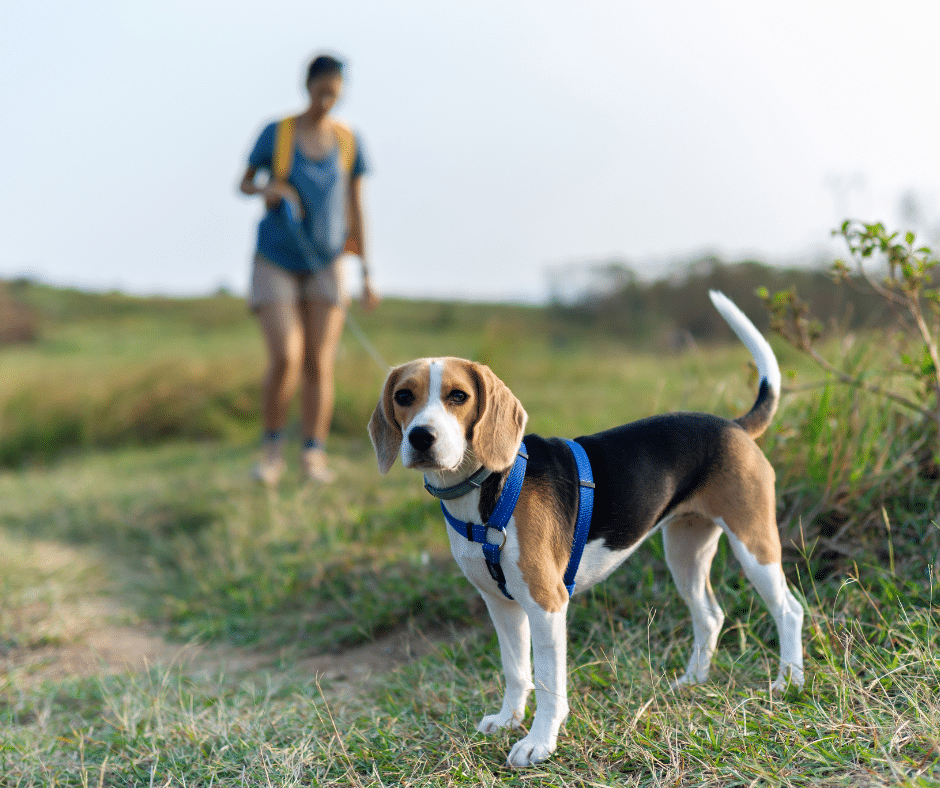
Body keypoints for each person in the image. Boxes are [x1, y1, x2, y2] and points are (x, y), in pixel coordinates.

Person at [239, 54, 379, 485]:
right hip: (276, 259)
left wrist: (366, 270)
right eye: (322, 88)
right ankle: (271, 452)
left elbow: (356, 204)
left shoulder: (348, 140)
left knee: (320, 362)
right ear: (308, 85)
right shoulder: (277, 133)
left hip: (328, 262)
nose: (327, 97)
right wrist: (270, 187)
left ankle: (313, 455)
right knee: (287, 356)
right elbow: (244, 183)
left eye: (335, 90)